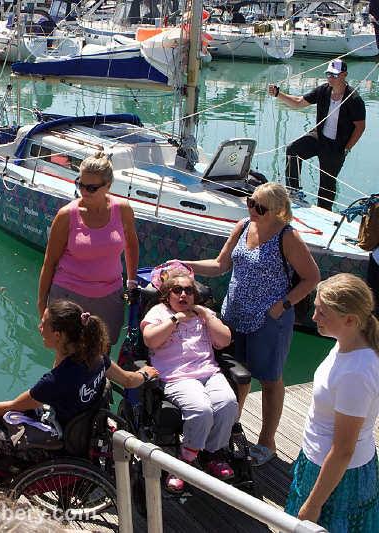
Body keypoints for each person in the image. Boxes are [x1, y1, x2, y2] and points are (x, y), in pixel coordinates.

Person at [181, 182, 320, 466]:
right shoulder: (244, 224)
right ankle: (231, 426)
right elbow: (221, 264)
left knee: (269, 380)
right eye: (250, 202)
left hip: (269, 320)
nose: (253, 209)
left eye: (260, 207)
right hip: (234, 314)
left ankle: (267, 442)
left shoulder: (287, 236)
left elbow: (311, 277)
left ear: (278, 211)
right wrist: (186, 265)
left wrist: (281, 306)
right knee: (234, 374)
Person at [0, 299, 158, 467]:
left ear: (58, 336)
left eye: (44, 324)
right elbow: (129, 380)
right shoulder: (97, 358)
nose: (39, 327)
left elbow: (12, 405)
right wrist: (146, 374)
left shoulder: (55, 381)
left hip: (56, 449)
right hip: (80, 437)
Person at [285, 273, 379, 531]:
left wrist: (314, 505)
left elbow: (343, 450)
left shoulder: (356, 373)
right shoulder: (345, 344)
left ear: (350, 320)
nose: (314, 318)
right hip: (319, 462)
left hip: (339, 478)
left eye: (322, 313)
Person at [141, 274, 238, 492]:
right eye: (177, 290)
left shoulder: (204, 314)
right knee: (201, 409)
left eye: (188, 290)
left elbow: (224, 341)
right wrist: (176, 319)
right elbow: (150, 339)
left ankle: (213, 454)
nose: (183, 294)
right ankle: (185, 463)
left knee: (228, 403)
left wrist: (206, 315)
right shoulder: (159, 313)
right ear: (167, 295)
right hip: (176, 375)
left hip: (208, 372)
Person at [37, 152, 139, 345]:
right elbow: (49, 263)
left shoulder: (123, 210)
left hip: (109, 296)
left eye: (91, 188)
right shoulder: (67, 215)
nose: (84, 191)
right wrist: (42, 307)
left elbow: (131, 244)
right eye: (80, 184)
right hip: (69, 296)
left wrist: (131, 281)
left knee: (103, 352)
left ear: (108, 186)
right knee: (70, 354)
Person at [268, 60, 366, 211]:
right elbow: (299, 102)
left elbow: (360, 127)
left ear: (344, 75)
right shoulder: (323, 91)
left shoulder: (354, 99)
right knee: (293, 150)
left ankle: (324, 213)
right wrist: (278, 94)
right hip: (319, 137)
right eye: (328, 74)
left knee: (326, 185)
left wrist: (347, 148)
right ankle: (293, 192)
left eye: (334, 75)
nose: (330, 78)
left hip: (337, 146)